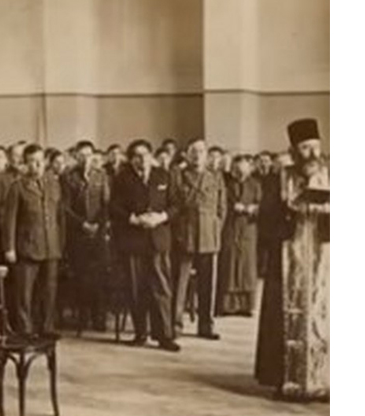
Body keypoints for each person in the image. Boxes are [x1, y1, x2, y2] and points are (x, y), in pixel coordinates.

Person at [255, 118, 329, 401]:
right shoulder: (280, 177)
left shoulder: (332, 173)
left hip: (324, 258)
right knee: (283, 317)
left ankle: (325, 380)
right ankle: (286, 379)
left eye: (315, 147)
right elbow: (266, 218)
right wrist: (288, 210)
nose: (311, 154)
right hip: (288, 257)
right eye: (305, 148)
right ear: (294, 150)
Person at [110, 140, 180, 351]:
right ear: (130, 159)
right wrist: (133, 219)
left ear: (151, 156)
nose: (141, 160)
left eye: (145, 155)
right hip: (133, 240)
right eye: (136, 156)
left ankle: (165, 336)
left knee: (162, 288)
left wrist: (162, 217)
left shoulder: (163, 175)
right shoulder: (122, 178)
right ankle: (140, 333)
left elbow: (176, 204)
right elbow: (113, 207)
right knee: (136, 288)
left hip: (158, 239)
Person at [4, 144, 65, 337]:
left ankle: (47, 327)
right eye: (31, 161)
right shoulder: (17, 187)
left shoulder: (54, 184)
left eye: (39, 161)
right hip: (27, 246)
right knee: (24, 293)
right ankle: (25, 329)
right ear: (25, 163)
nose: (36, 165)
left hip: (51, 245)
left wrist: (61, 243)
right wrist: (9, 248)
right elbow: (9, 220)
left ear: (45, 162)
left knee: (49, 290)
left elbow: (59, 217)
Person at [173, 138, 226, 339]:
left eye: (201, 151)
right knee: (180, 283)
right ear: (187, 155)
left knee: (208, 283)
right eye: (193, 151)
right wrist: (179, 232)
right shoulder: (179, 175)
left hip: (209, 235)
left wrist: (215, 229)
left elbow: (222, 208)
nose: (197, 155)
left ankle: (206, 326)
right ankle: (175, 325)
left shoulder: (215, 177)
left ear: (207, 155)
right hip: (185, 234)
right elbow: (175, 204)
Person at [62, 141, 110, 331]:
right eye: (81, 155)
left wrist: (98, 224)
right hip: (77, 233)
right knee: (81, 275)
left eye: (88, 155)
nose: (86, 159)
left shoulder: (101, 175)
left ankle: (100, 316)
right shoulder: (68, 177)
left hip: (98, 233)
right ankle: (83, 316)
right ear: (76, 157)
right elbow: (65, 207)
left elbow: (106, 204)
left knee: (99, 275)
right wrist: (82, 224)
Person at [216, 154, 261, 316]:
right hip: (231, 226)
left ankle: (247, 306)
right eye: (238, 169)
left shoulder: (255, 184)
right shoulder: (226, 184)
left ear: (249, 169)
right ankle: (227, 306)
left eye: (244, 169)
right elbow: (220, 203)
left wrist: (253, 209)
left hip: (248, 227)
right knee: (229, 264)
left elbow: (261, 204)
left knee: (247, 266)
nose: (241, 172)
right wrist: (232, 206)